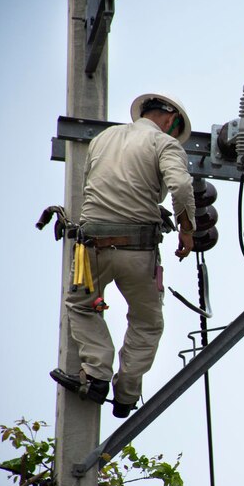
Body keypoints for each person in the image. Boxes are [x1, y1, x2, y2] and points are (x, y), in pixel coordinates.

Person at [51, 93, 197, 419]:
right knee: (147, 322)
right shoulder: (164, 144)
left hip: (91, 247)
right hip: (137, 251)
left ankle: (97, 374)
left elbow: (107, 187)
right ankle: (127, 393)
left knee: (81, 305)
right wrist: (187, 229)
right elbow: (181, 186)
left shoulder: (103, 139)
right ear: (169, 117)